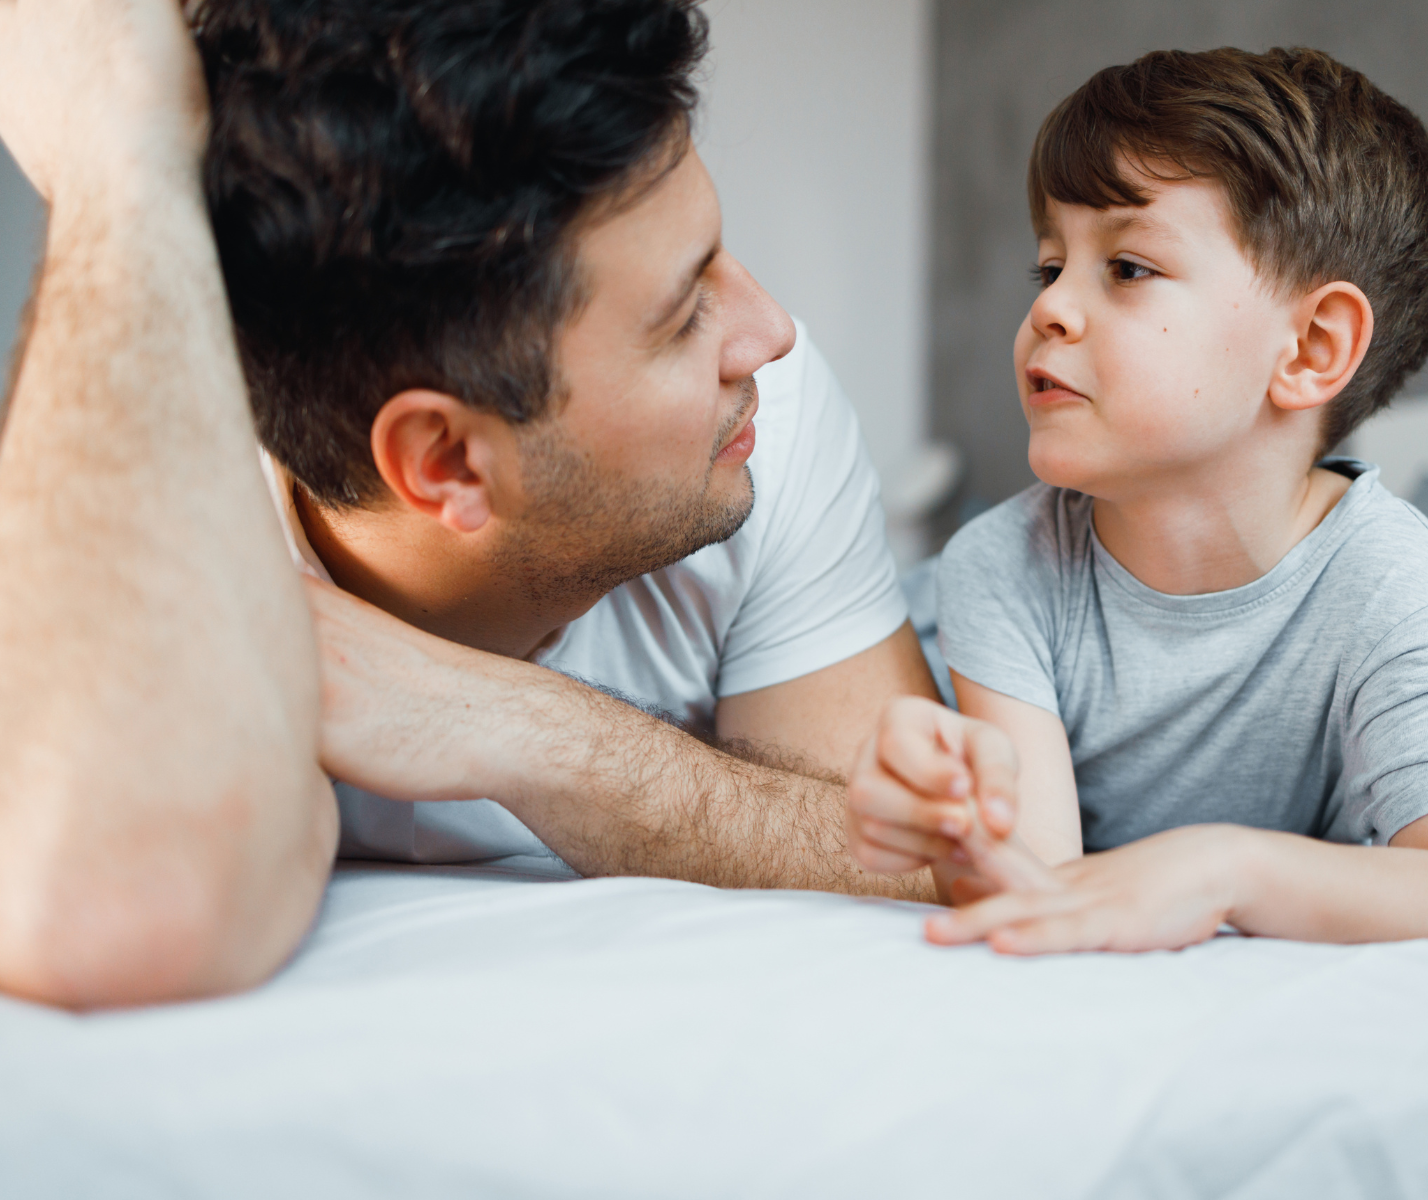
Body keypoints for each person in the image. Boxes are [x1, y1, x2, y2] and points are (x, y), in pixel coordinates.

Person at [0, 0, 936, 1011]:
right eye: (681, 317)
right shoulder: (161, 505)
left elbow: (935, 859)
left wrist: (510, 728)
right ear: (445, 461)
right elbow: (109, 914)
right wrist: (116, 159)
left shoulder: (757, 421)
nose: (772, 333)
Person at [845, 48, 1428, 953]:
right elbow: (1040, 887)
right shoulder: (1002, 564)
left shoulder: (1382, 574)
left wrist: (1225, 869)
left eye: (1129, 267)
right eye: (1050, 267)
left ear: (1309, 349)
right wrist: (956, 830)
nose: (1049, 309)